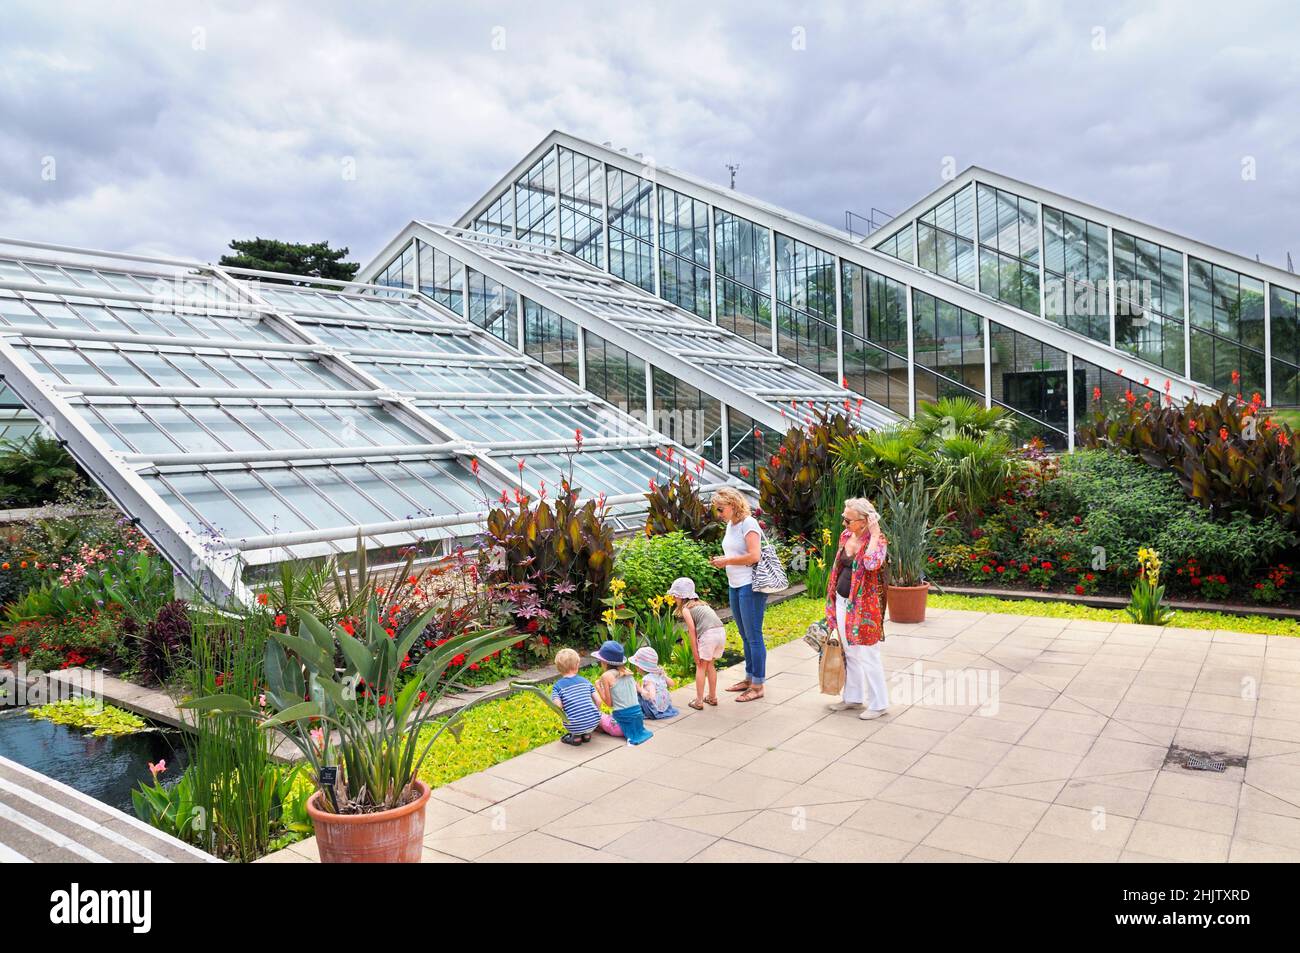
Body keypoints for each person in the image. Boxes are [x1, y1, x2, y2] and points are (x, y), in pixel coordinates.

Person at [825, 497, 890, 720]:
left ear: (864, 521)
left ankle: (879, 704)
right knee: (850, 652)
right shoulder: (846, 536)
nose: (843, 523)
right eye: (844, 518)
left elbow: (872, 563)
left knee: (868, 654)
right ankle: (853, 698)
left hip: (864, 608)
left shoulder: (878, 541)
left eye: (848, 519)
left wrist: (873, 534)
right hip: (842, 602)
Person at [709, 487, 767, 703]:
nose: (719, 514)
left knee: (754, 636)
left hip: (750, 585)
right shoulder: (731, 525)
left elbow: (754, 555)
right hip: (735, 584)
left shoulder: (748, 524)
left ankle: (758, 685)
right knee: (745, 635)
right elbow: (735, 552)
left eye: (721, 509)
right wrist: (723, 560)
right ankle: (749, 678)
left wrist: (726, 561)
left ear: (733, 505)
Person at [668, 576, 725, 710]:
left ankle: (699, 701)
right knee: (711, 664)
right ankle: (712, 697)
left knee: (701, 666)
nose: (674, 599)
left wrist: (694, 652)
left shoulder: (686, 609)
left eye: (675, 596)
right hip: (720, 632)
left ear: (681, 597)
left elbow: (692, 631)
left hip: (708, 635)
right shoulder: (703, 604)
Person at [592, 640, 653, 745]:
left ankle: (605, 728)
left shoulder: (606, 676)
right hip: (637, 723)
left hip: (620, 727)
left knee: (594, 715)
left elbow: (609, 703)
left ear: (604, 662)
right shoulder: (628, 672)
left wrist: (598, 687)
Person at [549, 648, 601, 745]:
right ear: (577, 665)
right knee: (586, 725)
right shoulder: (585, 681)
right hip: (594, 721)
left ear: (558, 669)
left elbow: (558, 706)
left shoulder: (557, 686)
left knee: (574, 724)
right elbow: (598, 701)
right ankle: (586, 735)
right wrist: (595, 712)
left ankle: (576, 738)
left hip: (574, 725)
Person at [629, 646, 678, 719]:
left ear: (640, 667)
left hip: (654, 710)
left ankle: (640, 710)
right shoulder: (659, 674)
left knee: (638, 693)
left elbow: (650, 696)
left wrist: (639, 690)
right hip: (666, 705)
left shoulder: (647, 680)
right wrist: (665, 676)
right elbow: (672, 684)